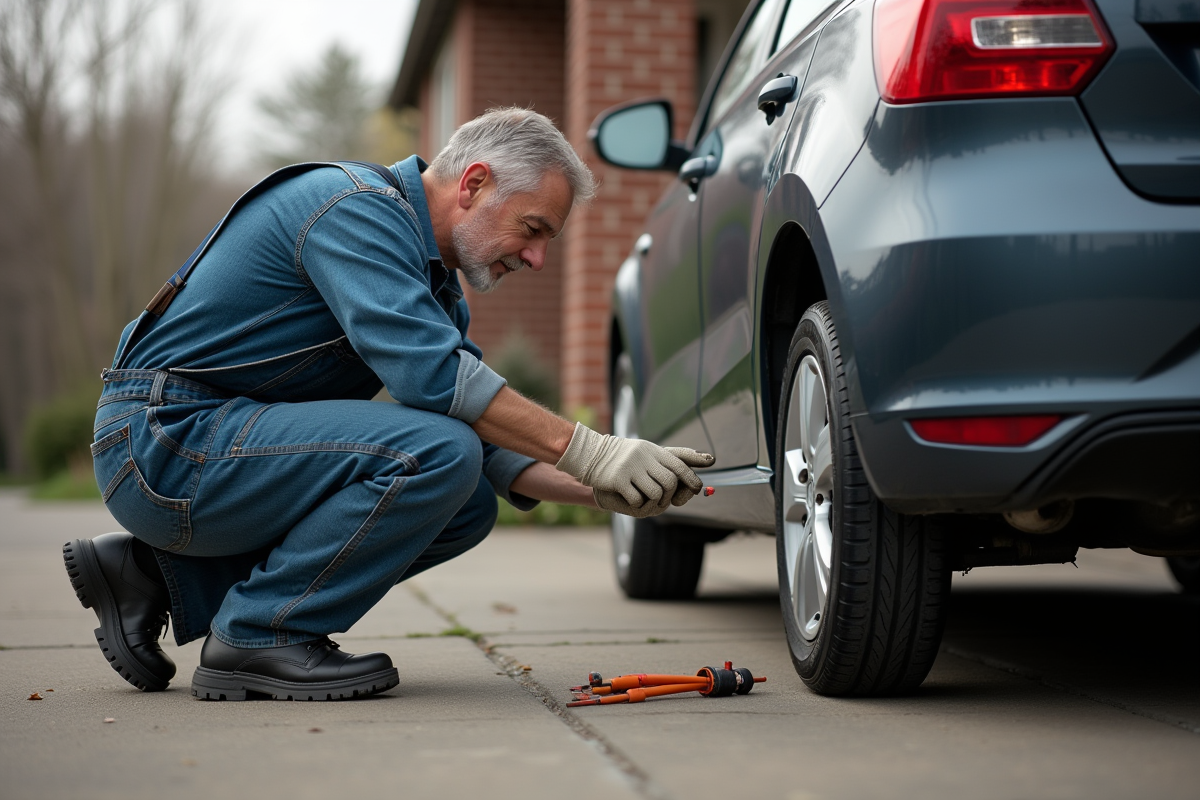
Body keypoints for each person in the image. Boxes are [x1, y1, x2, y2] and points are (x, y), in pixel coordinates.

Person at [63, 108, 714, 701]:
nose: (538, 258)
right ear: (475, 183)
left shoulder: (431, 284)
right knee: (438, 454)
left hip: (211, 445)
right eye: (533, 228)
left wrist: (610, 487)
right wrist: (595, 451)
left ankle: (153, 576)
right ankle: (261, 634)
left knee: (465, 501)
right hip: (161, 443)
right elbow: (437, 379)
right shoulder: (352, 210)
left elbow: (489, 443)